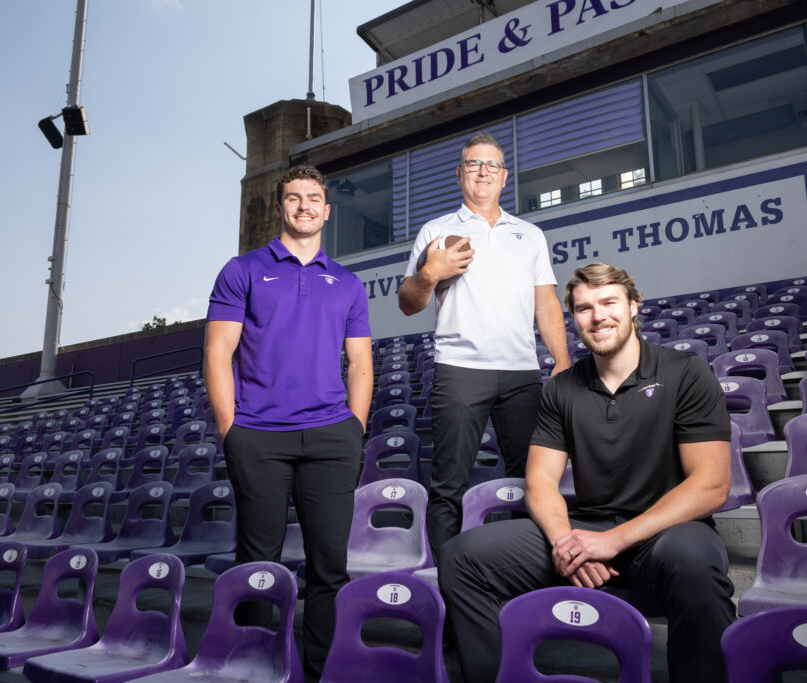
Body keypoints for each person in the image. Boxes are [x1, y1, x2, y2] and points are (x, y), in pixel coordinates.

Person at [439, 262, 736, 682]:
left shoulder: (685, 373)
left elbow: (711, 485)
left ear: (634, 307)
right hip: (587, 526)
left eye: (609, 302)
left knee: (695, 563)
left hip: (666, 533)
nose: (598, 316)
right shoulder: (561, 388)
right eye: (584, 308)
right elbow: (539, 481)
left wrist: (611, 542)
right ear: (574, 318)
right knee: (462, 556)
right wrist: (567, 543)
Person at [204, 165, 372, 679]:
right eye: (293, 197)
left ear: (327, 210)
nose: (303, 206)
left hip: (330, 436)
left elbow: (361, 364)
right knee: (257, 562)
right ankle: (254, 664)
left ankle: (322, 669)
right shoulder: (243, 269)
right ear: (280, 207)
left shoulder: (346, 282)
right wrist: (231, 430)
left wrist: (354, 427)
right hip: (258, 435)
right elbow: (218, 353)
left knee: (329, 567)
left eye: (313, 198)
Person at [398, 132, 571, 560]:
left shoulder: (529, 234)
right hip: (459, 369)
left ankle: (518, 570)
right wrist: (428, 274)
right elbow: (407, 303)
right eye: (474, 164)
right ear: (459, 175)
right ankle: (449, 581)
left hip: (521, 372)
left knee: (529, 480)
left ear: (504, 176)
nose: (482, 172)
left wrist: (562, 359)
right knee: (449, 484)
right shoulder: (436, 232)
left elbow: (546, 301)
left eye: (491, 165)